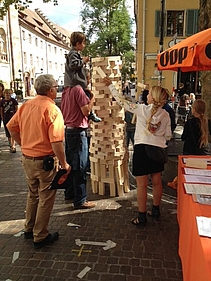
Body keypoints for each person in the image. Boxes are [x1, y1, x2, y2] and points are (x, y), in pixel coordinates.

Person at [7, 74, 70, 249]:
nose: (57, 89)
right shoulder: (52, 110)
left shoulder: (26, 105)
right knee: (46, 197)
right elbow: (56, 141)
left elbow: (11, 127)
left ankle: (29, 227)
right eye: (56, 87)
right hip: (45, 161)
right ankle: (40, 234)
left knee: (32, 194)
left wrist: (23, 144)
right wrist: (64, 164)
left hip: (27, 159)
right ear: (50, 90)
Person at [103, 77, 171, 225]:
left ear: (152, 98)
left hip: (141, 150)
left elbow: (122, 102)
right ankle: (156, 210)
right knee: (157, 182)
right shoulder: (165, 115)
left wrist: (111, 86)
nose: (146, 95)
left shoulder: (141, 109)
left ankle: (141, 216)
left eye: (149, 93)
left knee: (142, 185)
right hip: (158, 151)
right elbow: (168, 135)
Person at [61, 74, 96, 209]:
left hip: (68, 131)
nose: (88, 82)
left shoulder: (66, 90)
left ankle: (69, 193)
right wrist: (92, 99)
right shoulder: (78, 90)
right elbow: (86, 111)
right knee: (80, 166)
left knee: (70, 164)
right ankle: (80, 200)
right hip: (77, 132)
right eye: (87, 79)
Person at [64, 31, 101, 122]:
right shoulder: (73, 53)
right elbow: (73, 65)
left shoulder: (74, 53)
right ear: (78, 43)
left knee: (86, 96)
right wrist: (83, 61)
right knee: (87, 96)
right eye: (83, 43)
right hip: (75, 82)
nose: (84, 45)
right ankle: (90, 114)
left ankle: (90, 114)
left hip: (76, 82)